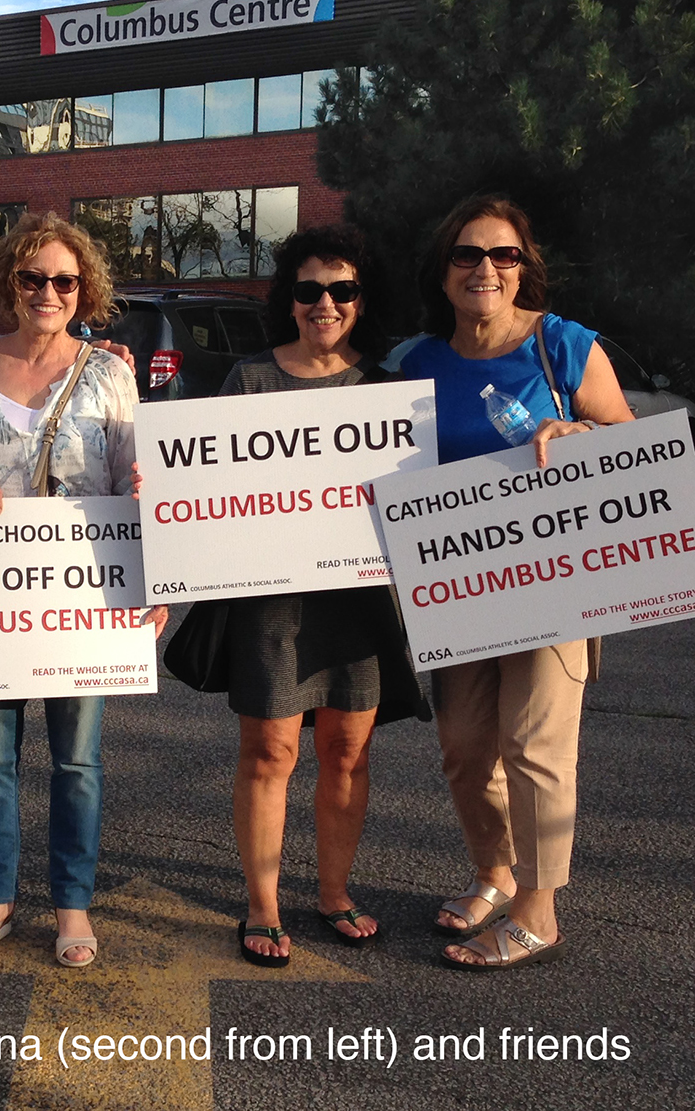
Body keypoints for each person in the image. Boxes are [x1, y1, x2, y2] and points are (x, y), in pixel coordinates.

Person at [0, 212, 166, 968]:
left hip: (82, 600)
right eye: (33, 277)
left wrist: (158, 576)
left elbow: (137, 485)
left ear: (83, 288)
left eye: (65, 280)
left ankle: (72, 904)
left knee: (77, 762)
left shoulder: (110, 374)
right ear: (11, 282)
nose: (48, 292)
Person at [401, 193, 633, 971]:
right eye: (467, 254)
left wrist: (581, 432)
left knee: (535, 746)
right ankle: (495, 874)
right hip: (459, 587)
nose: (486, 269)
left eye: (503, 255)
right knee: (466, 749)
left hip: (554, 579)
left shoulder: (562, 347)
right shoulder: (419, 363)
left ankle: (538, 909)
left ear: (523, 267)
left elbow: (630, 441)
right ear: (443, 271)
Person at [217, 225, 426, 968]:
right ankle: (263, 906)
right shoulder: (249, 381)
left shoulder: (386, 390)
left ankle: (334, 893)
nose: (325, 304)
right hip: (271, 596)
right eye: (310, 290)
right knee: (270, 750)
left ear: (362, 300)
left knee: (346, 751)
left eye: (342, 290)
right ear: (289, 298)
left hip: (360, 599)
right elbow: (205, 490)